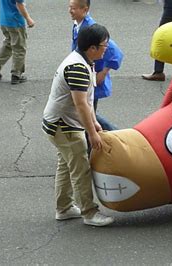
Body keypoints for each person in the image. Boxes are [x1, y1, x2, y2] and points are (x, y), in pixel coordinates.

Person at [42, 24, 114, 227]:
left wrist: (95, 123)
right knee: (80, 167)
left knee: (66, 165)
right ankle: (89, 212)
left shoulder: (83, 61)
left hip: (59, 122)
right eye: (103, 45)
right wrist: (92, 133)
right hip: (64, 126)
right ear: (92, 48)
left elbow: (87, 101)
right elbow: (80, 103)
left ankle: (63, 208)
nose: (106, 49)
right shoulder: (78, 67)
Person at [69, 0, 124, 131]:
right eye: (70, 7)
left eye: (74, 8)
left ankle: (113, 133)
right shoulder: (78, 24)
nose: (70, 11)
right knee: (86, 112)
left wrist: (103, 73)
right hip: (85, 75)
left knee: (86, 113)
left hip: (92, 78)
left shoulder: (90, 29)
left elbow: (115, 52)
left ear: (85, 10)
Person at [0, 0, 35, 84]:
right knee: (19, 48)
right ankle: (16, 74)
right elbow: (19, 5)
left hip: (4, 20)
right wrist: (28, 18)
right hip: (15, 21)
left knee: (8, 42)